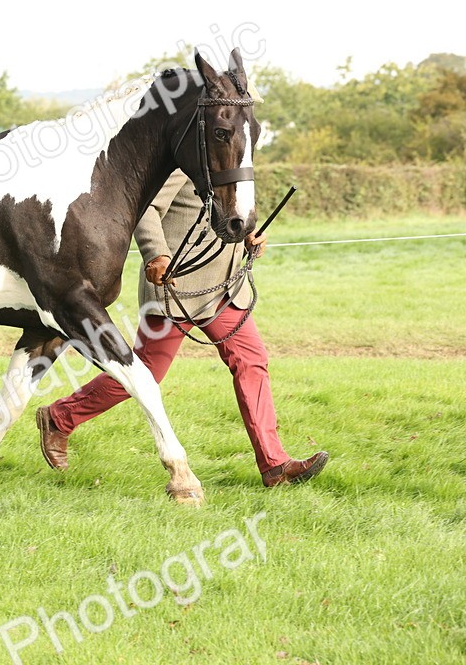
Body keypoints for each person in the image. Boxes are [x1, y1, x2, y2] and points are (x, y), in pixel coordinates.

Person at [35, 170, 328, 487]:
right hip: (177, 287)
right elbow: (147, 209)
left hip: (224, 289)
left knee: (251, 360)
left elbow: (233, 212)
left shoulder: (238, 162)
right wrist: (156, 254)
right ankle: (60, 417)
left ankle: (275, 465)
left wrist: (250, 236)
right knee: (147, 371)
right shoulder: (184, 162)